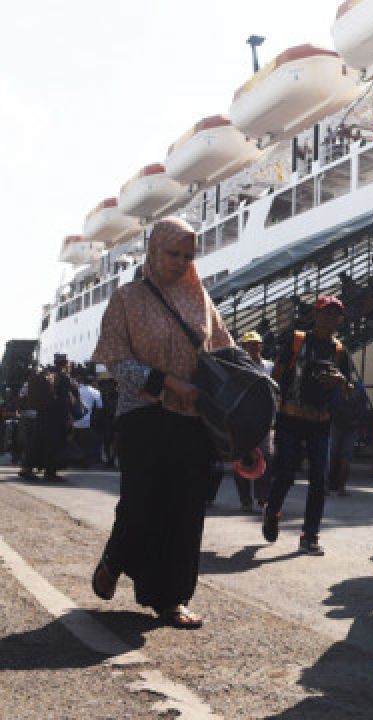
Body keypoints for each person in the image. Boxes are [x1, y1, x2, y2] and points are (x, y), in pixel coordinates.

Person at [90, 218, 233, 629]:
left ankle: (172, 599)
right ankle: (114, 560)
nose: (179, 263)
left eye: (188, 256)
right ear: (154, 251)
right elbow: (115, 358)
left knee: (186, 508)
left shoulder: (200, 298)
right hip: (143, 413)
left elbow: (224, 349)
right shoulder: (127, 298)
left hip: (192, 418)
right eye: (173, 254)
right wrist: (166, 382)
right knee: (141, 502)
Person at [262, 296, 354, 556]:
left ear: (340, 320)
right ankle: (272, 510)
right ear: (315, 314)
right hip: (291, 416)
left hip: (321, 422)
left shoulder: (339, 351)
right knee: (286, 472)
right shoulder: (297, 340)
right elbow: (275, 376)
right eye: (326, 313)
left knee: (319, 480)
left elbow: (350, 390)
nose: (330, 319)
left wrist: (340, 383)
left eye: (335, 315)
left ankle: (310, 535)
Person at [19, 354, 76, 482]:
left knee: (37, 441)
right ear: (65, 363)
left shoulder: (46, 375)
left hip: (42, 414)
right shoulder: (64, 378)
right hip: (57, 417)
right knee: (55, 444)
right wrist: (68, 417)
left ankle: (27, 468)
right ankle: (50, 472)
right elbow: (63, 401)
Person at [234, 331, 272, 511]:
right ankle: (245, 499)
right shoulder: (236, 368)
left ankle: (262, 497)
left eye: (256, 344)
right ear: (244, 348)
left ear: (261, 346)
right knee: (242, 459)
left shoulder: (270, 367)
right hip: (242, 420)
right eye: (250, 345)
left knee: (265, 458)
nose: (254, 348)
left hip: (265, 420)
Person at [72, 373, 104, 468]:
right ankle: (85, 462)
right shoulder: (95, 392)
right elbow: (100, 406)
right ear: (93, 382)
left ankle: (75, 461)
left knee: (76, 442)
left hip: (74, 420)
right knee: (87, 443)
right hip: (87, 421)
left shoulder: (77, 390)